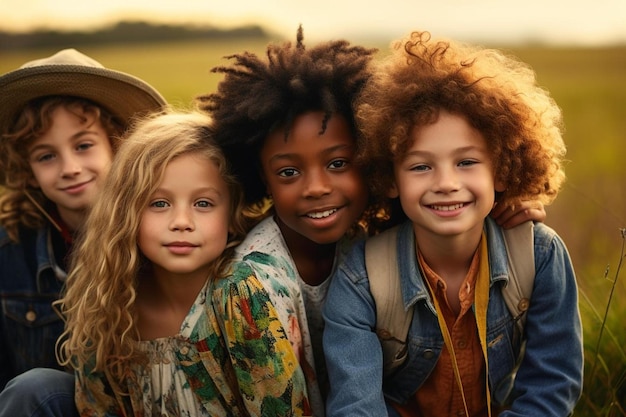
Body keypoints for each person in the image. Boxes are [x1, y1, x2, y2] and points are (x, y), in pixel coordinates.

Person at [197, 26, 548, 416]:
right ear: (261, 177)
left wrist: (506, 203)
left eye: (337, 163)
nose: (316, 187)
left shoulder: (369, 234)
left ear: (371, 160)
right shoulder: (252, 286)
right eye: (288, 173)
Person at [322, 31, 583, 417]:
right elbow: (355, 404)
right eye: (421, 166)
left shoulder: (538, 254)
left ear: (502, 170)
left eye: (467, 162)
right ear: (390, 179)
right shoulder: (362, 276)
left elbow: (552, 384)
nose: (446, 183)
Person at [55, 111, 310, 416]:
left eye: (203, 204)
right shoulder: (108, 298)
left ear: (231, 214)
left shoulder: (238, 294)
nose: (181, 222)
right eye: (159, 203)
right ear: (125, 213)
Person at [0, 48, 166, 414]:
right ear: (27, 169)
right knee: (34, 388)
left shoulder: (165, 230)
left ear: (118, 144)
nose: (70, 167)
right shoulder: (10, 249)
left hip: (146, 403)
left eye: (84, 145)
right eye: (46, 156)